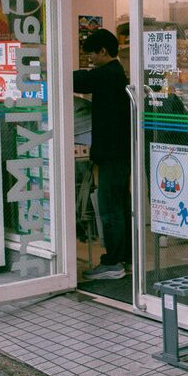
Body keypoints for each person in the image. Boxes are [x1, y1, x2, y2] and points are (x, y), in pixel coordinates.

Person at [74, 29, 132, 280]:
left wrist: (50, 68)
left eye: (92, 55)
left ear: (103, 52)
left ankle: (113, 262)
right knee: (119, 204)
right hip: (120, 151)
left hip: (112, 153)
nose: (91, 60)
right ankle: (126, 257)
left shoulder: (108, 74)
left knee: (109, 208)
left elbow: (78, 80)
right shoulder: (116, 74)